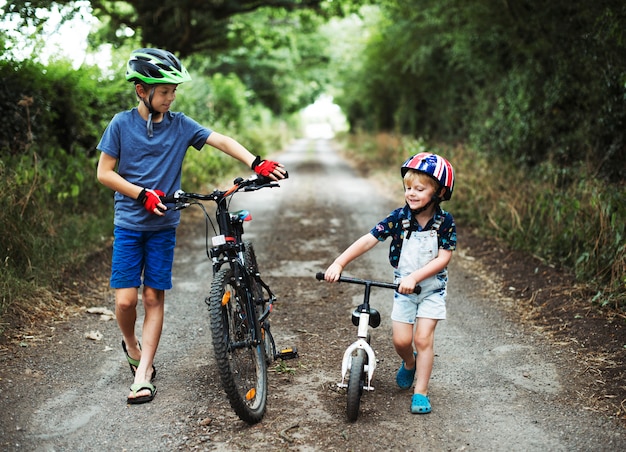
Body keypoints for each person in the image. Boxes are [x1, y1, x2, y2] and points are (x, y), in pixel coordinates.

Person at [96, 48, 287, 405]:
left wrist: (255, 161)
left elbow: (221, 140)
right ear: (142, 90)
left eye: (173, 91)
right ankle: (132, 345)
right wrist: (141, 195)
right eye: (164, 91)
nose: (171, 97)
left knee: (152, 297)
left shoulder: (180, 124)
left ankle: (144, 374)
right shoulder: (120, 124)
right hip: (129, 223)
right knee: (125, 302)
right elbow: (104, 173)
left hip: (163, 226)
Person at [324, 152, 456, 414]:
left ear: (439, 192)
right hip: (403, 290)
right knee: (401, 341)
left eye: (420, 188)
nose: (412, 193)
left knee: (423, 338)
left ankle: (421, 392)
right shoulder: (398, 218)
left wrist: (416, 277)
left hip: (432, 289)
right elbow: (369, 239)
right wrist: (340, 262)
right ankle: (409, 363)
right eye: (408, 188)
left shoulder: (444, 222)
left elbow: (444, 257)